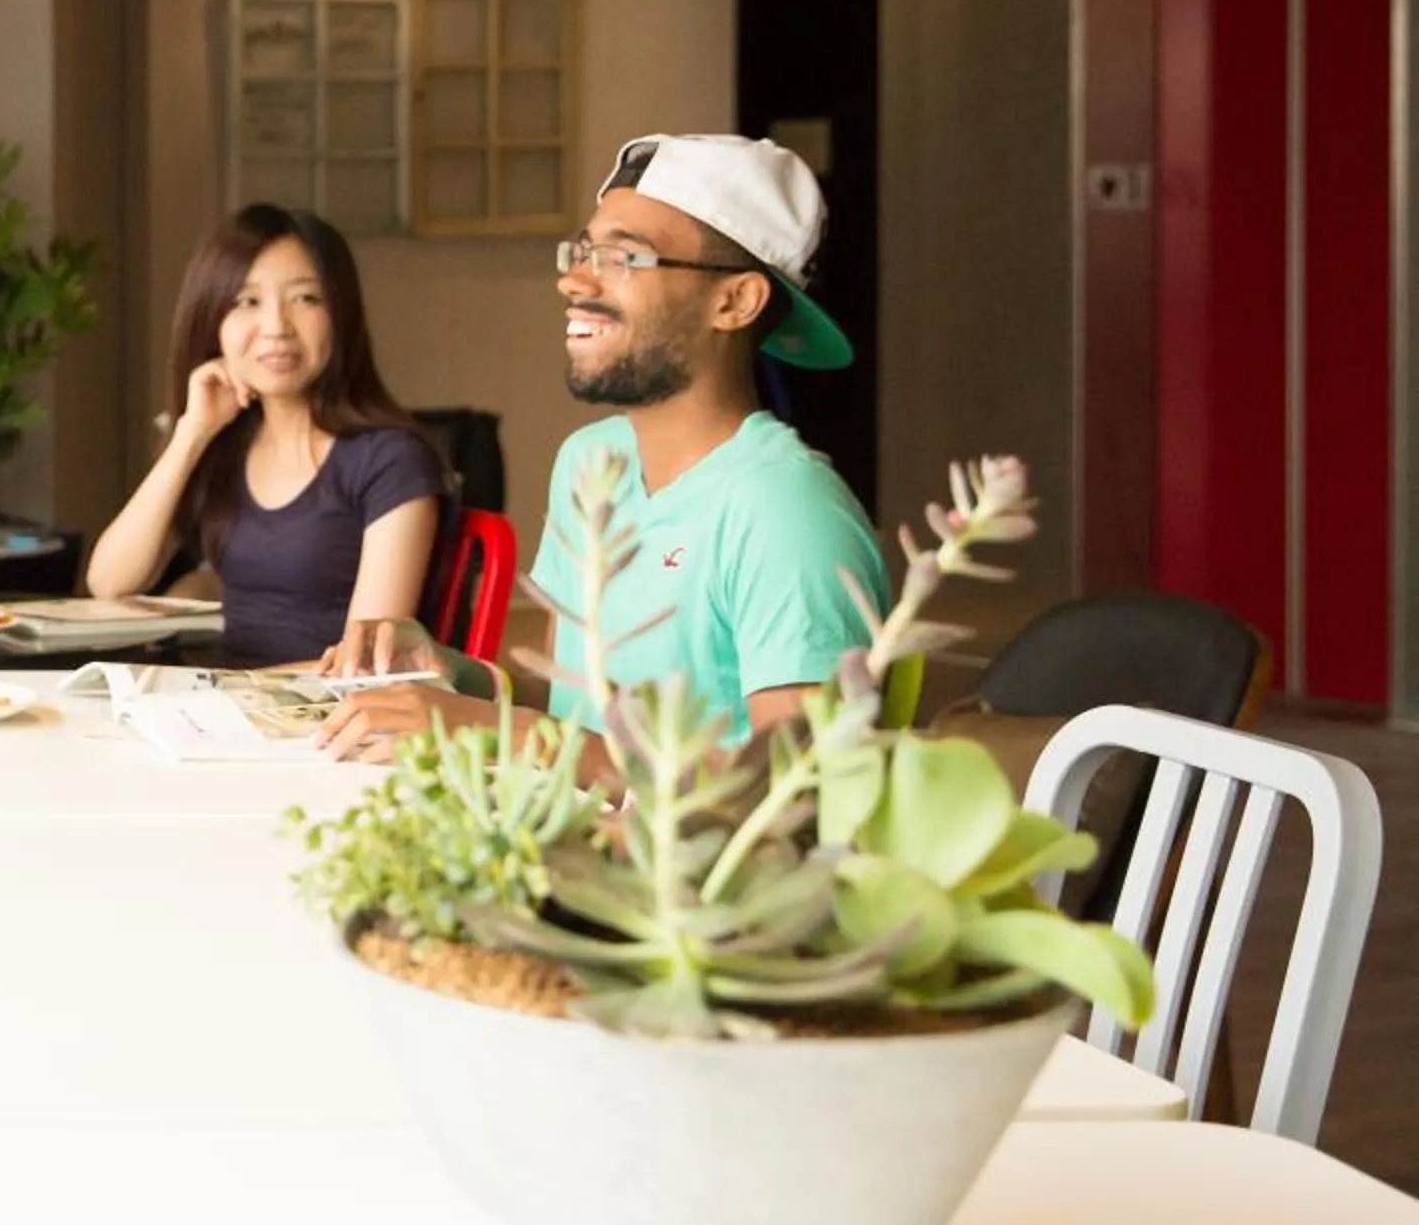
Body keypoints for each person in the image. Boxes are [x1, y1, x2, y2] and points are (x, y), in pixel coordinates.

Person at [322, 134, 886, 768]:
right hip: (562, 839)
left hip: (678, 868)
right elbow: (573, 709)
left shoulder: (786, 510)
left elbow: (795, 799)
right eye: (585, 251)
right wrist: (447, 679)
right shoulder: (592, 461)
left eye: (624, 258)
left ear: (734, 301)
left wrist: (498, 734)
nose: (573, 279)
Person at [83, 204, 442, 668]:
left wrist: (217, 697)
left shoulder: (392, 462)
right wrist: (192, 434)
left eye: (306, 299)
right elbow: (109, 582)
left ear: (343, 315)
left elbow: (366, 665)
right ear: (212, 321)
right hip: (223, 714)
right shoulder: (228, 444)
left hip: (318, 724)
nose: (276, 328)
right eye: (247, 302)